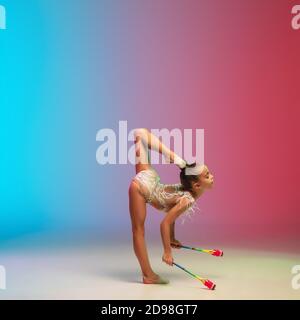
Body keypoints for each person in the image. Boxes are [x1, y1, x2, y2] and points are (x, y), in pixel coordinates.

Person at [128, 128, 214, 284]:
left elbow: (171, 215)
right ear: (196, 185)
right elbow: (165, 223)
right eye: (207, 175)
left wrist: (172, 238)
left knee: (140, 134)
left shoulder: (186, 196)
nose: (212, 177)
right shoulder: (188, 200)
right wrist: (167, 251)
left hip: (149, 177)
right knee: (138, 231)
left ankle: (174, 157)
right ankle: (148, 275)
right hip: (142, 188)